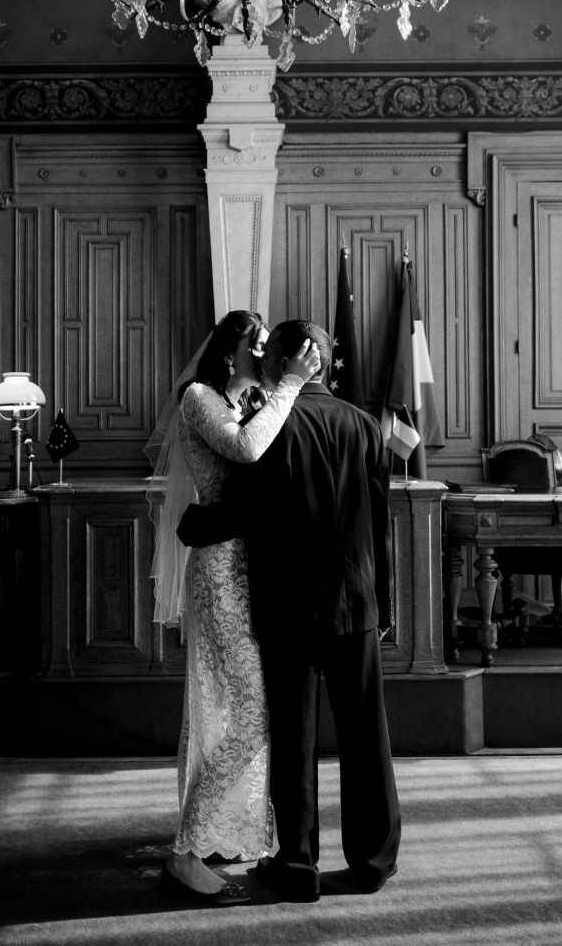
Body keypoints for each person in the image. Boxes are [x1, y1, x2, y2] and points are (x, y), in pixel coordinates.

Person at [178, 318, 401, 903]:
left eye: (267, 355)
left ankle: (298, 864)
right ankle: (374, 861)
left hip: (288, 606)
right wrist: (385, 602)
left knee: (295, 735)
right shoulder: (364, 425)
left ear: (284, 363)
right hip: (357, 604)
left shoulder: (271, 426)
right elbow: (381, 523)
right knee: (366, 734)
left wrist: (192, 525)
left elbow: (241, 509)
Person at [146, 309, 321, 907]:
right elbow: (245, 451)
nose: (267, 351)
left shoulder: (250, 400)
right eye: (258, 343)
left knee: (241, 707)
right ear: (230, 351)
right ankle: (186, 851)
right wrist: (291, 384)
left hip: (259, 569)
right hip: (220, 572)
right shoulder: (198, 398)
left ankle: (227, 830)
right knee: (252, 711)